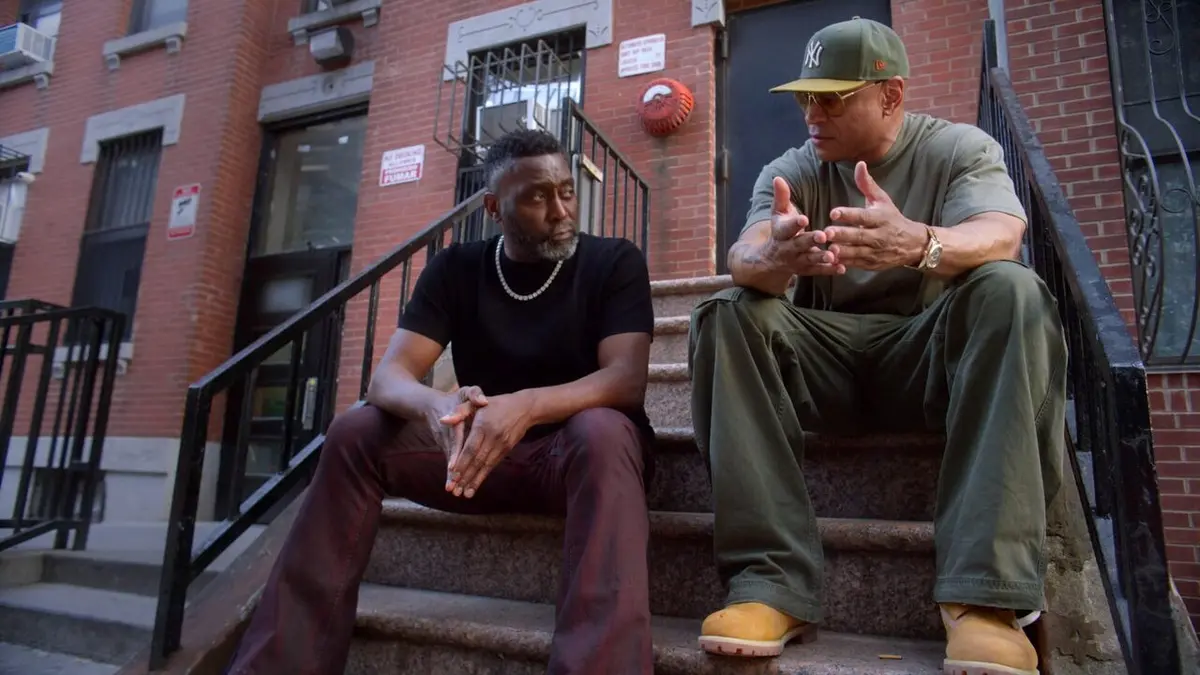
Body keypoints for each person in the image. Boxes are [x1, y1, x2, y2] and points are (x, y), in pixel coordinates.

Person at [689, 17, 1065, 675]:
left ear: (891, 95)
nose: (813, 114)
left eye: (833, 98)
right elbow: (744, 255)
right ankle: (770, 585)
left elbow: (1002, 234)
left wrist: (920, 243)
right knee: (726, 313)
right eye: (806, 98)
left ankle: (984, 599)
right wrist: (775, 257)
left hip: (927, 359)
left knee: (1012, 288)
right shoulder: (794, 168)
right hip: (828, 366)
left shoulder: (959, 148)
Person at [226, 129, 658, 675]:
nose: (560, 211)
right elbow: (388, 379)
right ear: (494, 208)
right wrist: (435, 405)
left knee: (603, 429)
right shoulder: (457, 268)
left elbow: (625, 379)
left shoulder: (614, 261)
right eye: (537, 197)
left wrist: (526, 405)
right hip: (475, 462)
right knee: (355, 431)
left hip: (576, 462)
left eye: (566, 192)